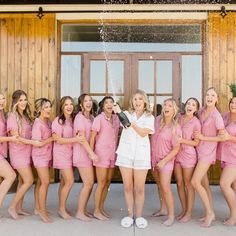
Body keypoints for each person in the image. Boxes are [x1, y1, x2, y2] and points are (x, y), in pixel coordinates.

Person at [114, 90, 154, 228]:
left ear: (145, 102)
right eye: (135, 99)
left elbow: (143, 133)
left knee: (140, 188)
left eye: (140, 99)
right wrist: (119, 112)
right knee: (128, 187)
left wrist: (132, 122)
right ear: (132, 101)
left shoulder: (150, 117)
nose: (137, 102)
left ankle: (139, 216)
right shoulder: (126, 114)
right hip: (125, 154)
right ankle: (130, 215)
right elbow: (125, 123)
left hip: (141, 156)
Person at [192, 87, 225, 227]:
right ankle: (209, 212)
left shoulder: (216, 116)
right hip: (198, 150)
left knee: (195, 182)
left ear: (217, 99)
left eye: (213, 95)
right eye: (207, 94)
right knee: (204, 184)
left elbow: (222, 137)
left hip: (207, 152)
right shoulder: (201, 111)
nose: (209, 97)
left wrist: (204, 137)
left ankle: (210, 213)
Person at [151, 98, 181, 226]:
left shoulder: (176, 127)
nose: (166, 107)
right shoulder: (157, 120)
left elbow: (176, 149)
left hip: (166, 161)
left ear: (174, 110)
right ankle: (163, 209)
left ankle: (171, 215)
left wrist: (163, 161)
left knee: (166, 187)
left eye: (170, 105)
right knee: (159, 185)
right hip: (154, 159)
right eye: (165, 105)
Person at [52, 96, 82, 219]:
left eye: (70, 104)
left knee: (64, 182)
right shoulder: (58, 121)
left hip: (70, 154)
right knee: (70, 181)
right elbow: (57, 140)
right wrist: (75, 139)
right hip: (61, 154)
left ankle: (62, 206)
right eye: (66, 105)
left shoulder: (73, 119)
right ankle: (61, 209)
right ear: (62, 107)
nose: (69, 107)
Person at [90, 96, 120, 221]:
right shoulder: (98, 119)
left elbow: (128, 125)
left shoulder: (116, 118)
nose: (109, 104)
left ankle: (101, 208)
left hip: (112, 154)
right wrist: (91, 153)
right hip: (101, 154)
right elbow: (92, 138)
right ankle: (96, 210)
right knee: (101, 182)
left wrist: (120, 112)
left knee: (107, 182)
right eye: (106, 102)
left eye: (111, 102)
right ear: (103, 106)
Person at [7, 90, 34, 219]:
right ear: (16, 102)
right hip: (18, 153)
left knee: (22, 180)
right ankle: (12, 207)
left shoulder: (25, 115)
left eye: (25, 99)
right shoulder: (13, 116)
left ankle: (19, 207)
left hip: (27, 152)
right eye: (20, 100)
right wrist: (34, 142)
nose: (23, 102)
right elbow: (16, 138)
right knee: (29, 180)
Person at [174, 98, 201, 223]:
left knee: (188, 184)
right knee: (179, 183)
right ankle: (184, 210)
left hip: (188, 155)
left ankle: (189, 213)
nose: (190, 106)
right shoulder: (179, 117)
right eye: (189, 103)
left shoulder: (196, 122)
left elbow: (196, 142)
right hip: (177, 154)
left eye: (193, 105)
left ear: (196, 109)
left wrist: (182, 141)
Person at [73, 94, 98, 221]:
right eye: (85, 101)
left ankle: (83, 209)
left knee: (90, 183)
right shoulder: (79, 118)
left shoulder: (92, 117)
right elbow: (81, 139)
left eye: (90, 100)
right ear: (81, 105)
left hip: (89, 154)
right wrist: (91, 154)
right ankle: (79, 212)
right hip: (82, 154)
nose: (88, 103)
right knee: (88, 184)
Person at [31, 98, 54, 223]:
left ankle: (37, 207)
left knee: (40, 182)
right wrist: (51, 139)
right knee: (45, 183)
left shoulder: (48, 121)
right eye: (45, 107)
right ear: (39, 109)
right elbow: (37, 143)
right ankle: (42, 211)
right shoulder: (37, 124)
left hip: (47, 155)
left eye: (49, 107)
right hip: (40, 156)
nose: (48, 109)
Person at [219, 96, 236, 226]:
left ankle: (234, 217)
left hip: (234, 157)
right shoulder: (225, 115)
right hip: (225, 155)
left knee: (224, 184)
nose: (233, 104)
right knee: (234, 187)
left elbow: (228, 136)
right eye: (232, 102)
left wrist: (229, 137)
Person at [0, 92, 17, 213]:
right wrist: (10, 139)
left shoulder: (2, 114)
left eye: (3, 98)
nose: (1, 101)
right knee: (11, 175)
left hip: (2, 153)